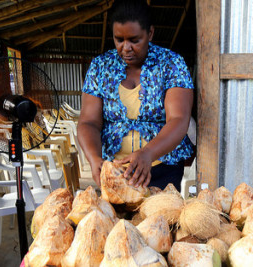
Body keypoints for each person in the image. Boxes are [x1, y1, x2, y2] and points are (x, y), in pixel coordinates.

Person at [77, 0, 194, 191]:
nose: (126, 47)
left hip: (163, 169)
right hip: (117, 173)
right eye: (119, 39)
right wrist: (94, 158)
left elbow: (179, 119)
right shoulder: (100, 66)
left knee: (160, 219)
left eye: (134, 40)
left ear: (150, 33)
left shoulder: (171, 64)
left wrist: (148, 153)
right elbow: (88, 122)